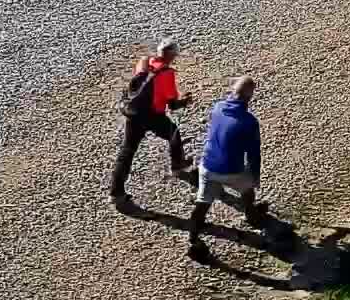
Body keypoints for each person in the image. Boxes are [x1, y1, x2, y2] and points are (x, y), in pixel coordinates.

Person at [108, 38, 194, 209]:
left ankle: (116, 193)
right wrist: (185, 101)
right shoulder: (167, 74)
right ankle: (177, 166)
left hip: (133, 114)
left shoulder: (145, 63)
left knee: (127, 151)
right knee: (173, 132)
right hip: (152, 116)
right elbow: (172, 104)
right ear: (172, 55)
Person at [187, 76, 265, 261]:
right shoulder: (249, 122)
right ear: (249, 97)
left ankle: (193, 239)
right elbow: (253, 154)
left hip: (207, 165)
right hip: (231, 171)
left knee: (202, 204)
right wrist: (255, 177)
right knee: (247, 189)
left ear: (232, 91)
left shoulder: (217, 108)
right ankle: (250, 215)